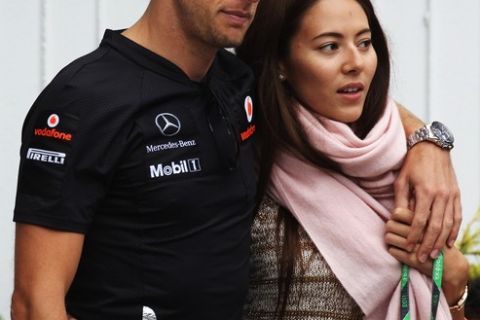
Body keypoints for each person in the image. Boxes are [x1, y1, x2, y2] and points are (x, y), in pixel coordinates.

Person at [11, 0, 462, 319]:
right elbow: (34, 304)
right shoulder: (83, 101)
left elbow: (348, 93)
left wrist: (428, 143)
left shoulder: (238, 83)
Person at [237, 0, 469, 319]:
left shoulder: (406, 166)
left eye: (364, 42)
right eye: (330, 46)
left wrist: (455, 284)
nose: (355, 63)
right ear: (280, 62)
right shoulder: (245, 165)